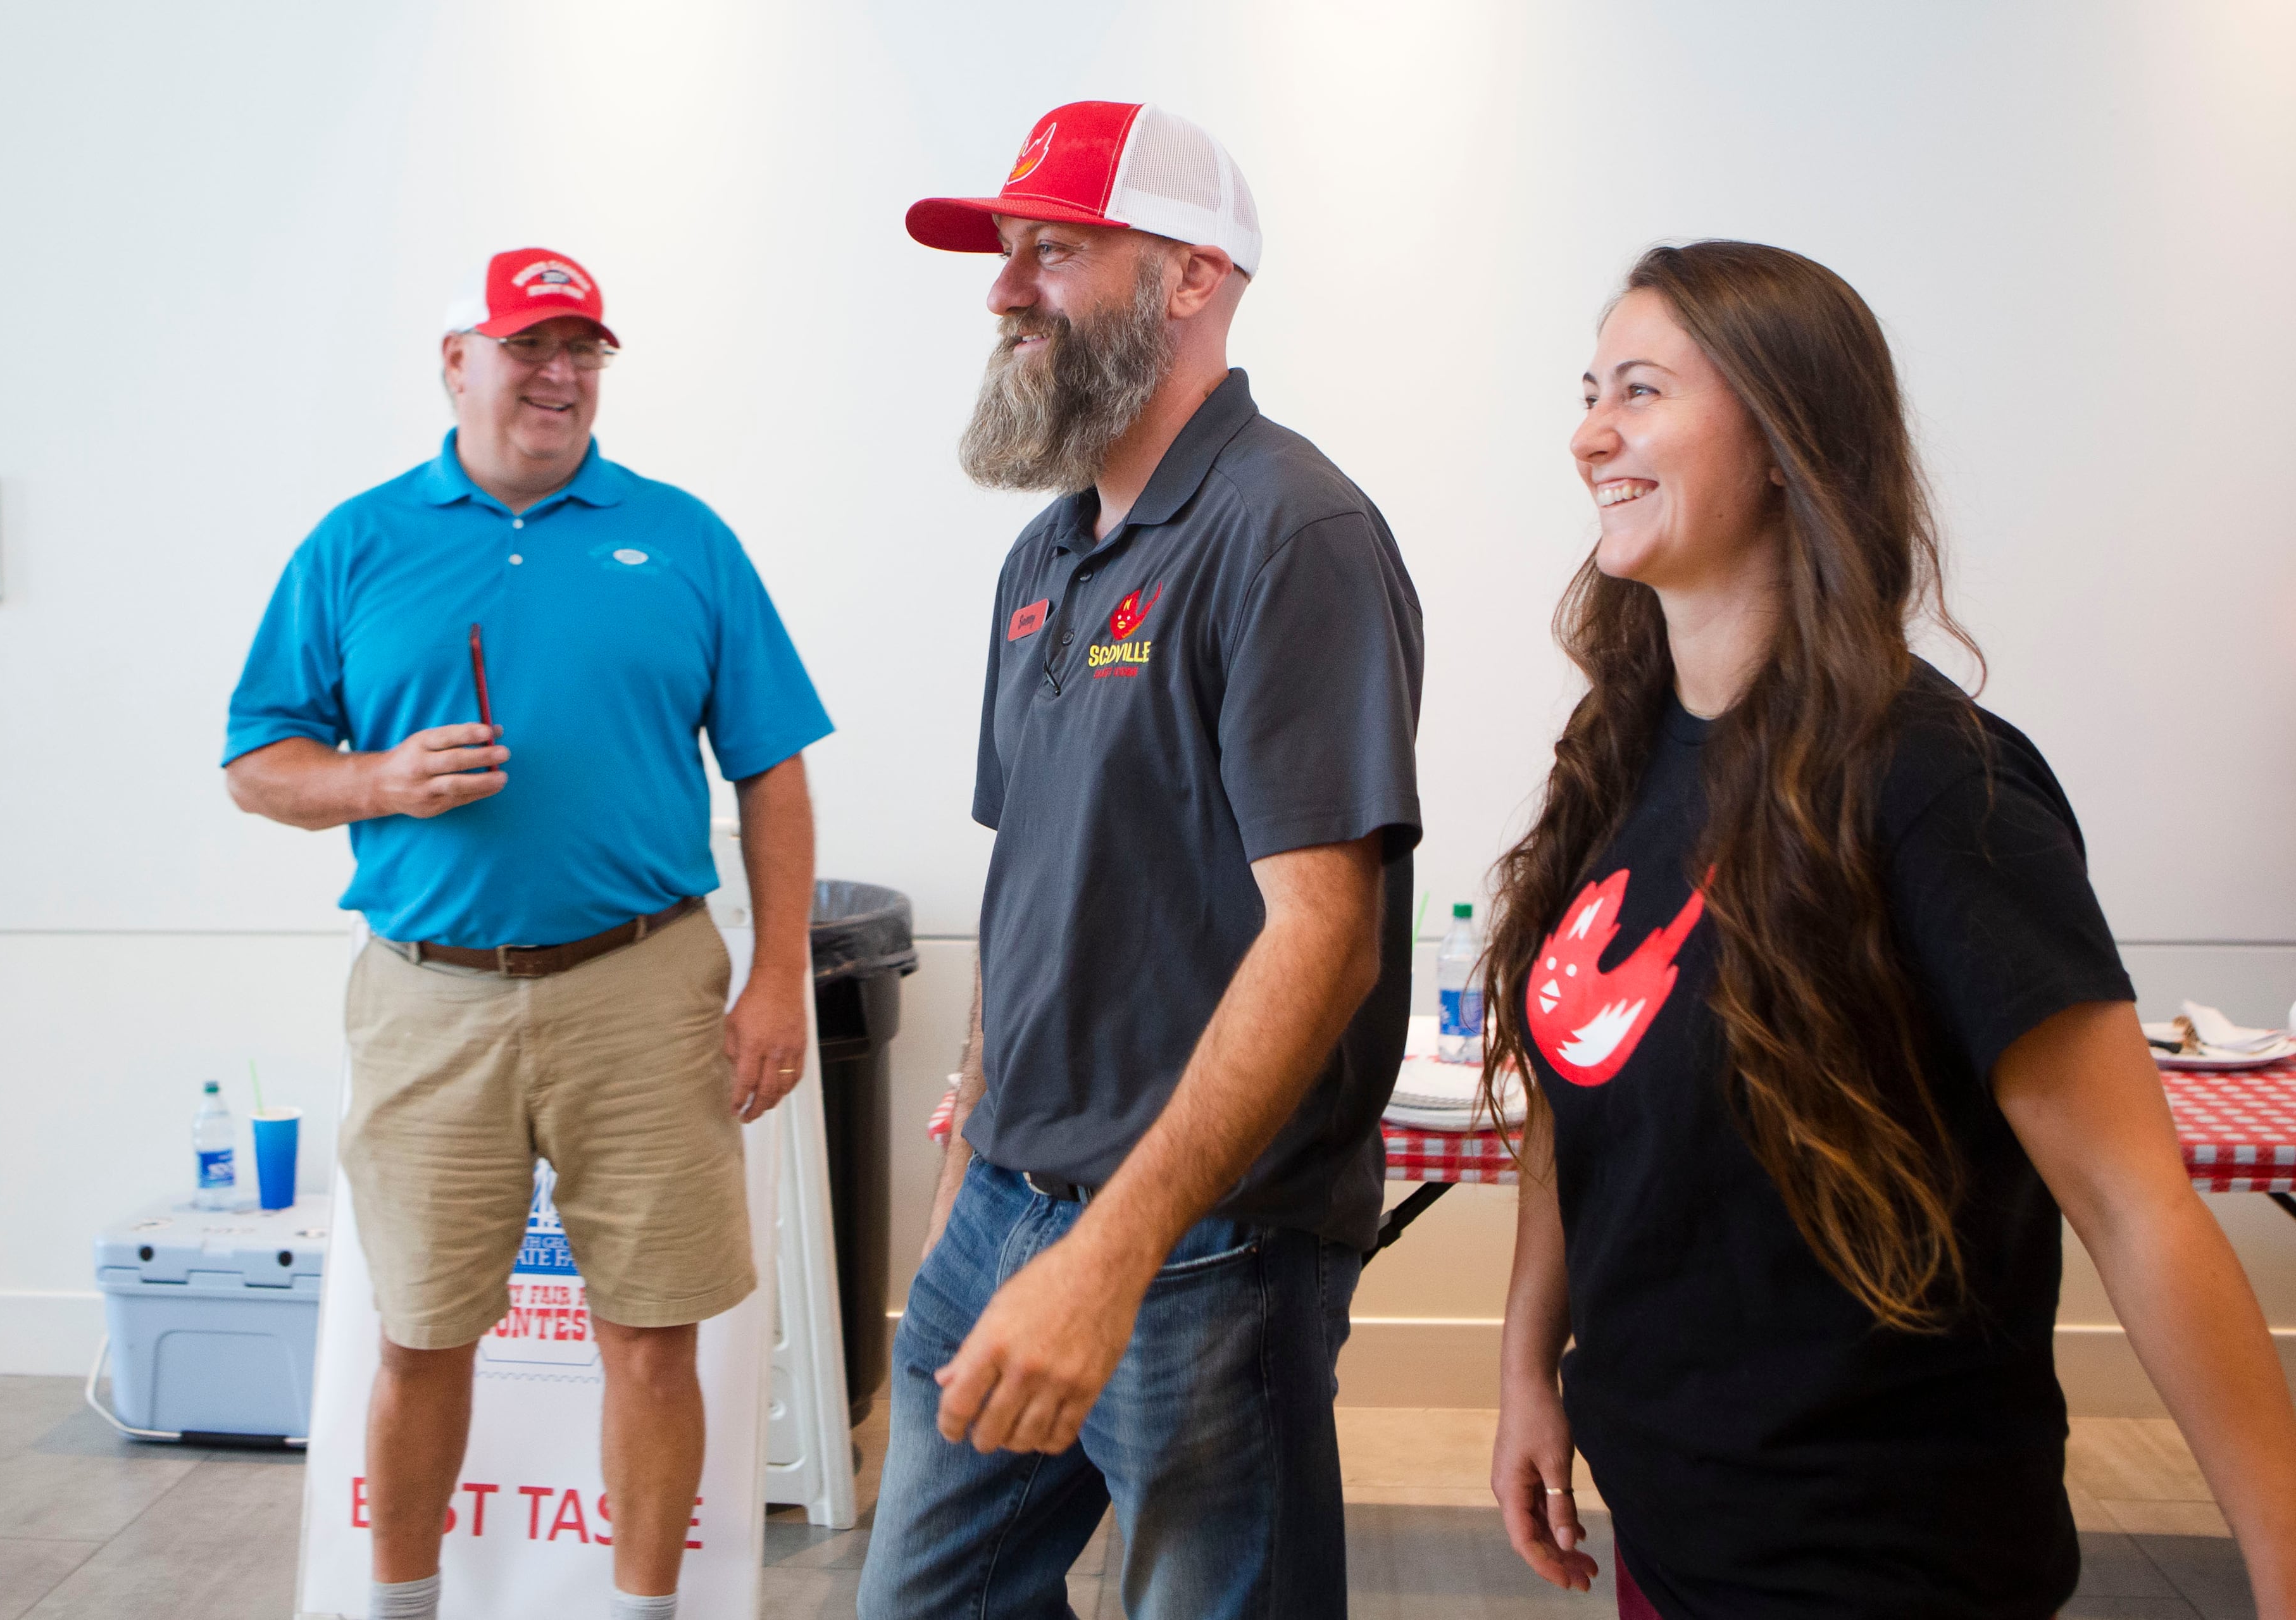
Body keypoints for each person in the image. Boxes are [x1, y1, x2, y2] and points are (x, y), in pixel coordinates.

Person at [1483, 239, 2296, 1618]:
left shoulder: (1934, 783)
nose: (1590, 433)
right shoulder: (1622, 751)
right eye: (1588, 388)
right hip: (1674, 1543)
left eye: (1641, 389)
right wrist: (1525, 1367)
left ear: (1791, 435)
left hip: (1877, 1563)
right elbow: (1583, 1087)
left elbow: (2134, 1202)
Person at [861, 103, 1424, 1619]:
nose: (1002, 288)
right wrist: (974, 1145)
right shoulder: (1044, 556)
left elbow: (1327, 935)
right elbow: (1031, 886)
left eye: (1054, 250)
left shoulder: (1291, 530)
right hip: (1006, 1205)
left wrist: (1114, 1248)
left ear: (1191, 280)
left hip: (1202, 1244)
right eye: (1003, 251)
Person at [221, 246, 831, 1620]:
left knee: (655, 1336)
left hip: (646, 984)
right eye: (528, 347)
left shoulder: (681, 537)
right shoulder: (358, 542)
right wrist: (376, 780)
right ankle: (400, 1602)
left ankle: (644, 1608)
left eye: (584, 352)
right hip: (427, 995)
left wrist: (779, 973)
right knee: (423, 1337)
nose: (559, 376)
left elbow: (774, 767)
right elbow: (258, 763)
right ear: (457, 363)